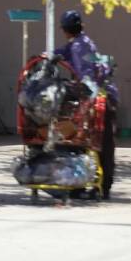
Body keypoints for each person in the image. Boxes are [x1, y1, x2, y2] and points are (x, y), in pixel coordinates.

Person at [54, 10, 116, 199]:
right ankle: (85, 185)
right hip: (102, 96)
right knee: (86, 142)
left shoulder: (80, 47)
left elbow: (88, 79)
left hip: (99, 99)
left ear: (65, 30)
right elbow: (62, 52)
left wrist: (83, 100)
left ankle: (100, 187)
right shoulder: (80, 43)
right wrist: (49, 55)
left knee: (96, 143)